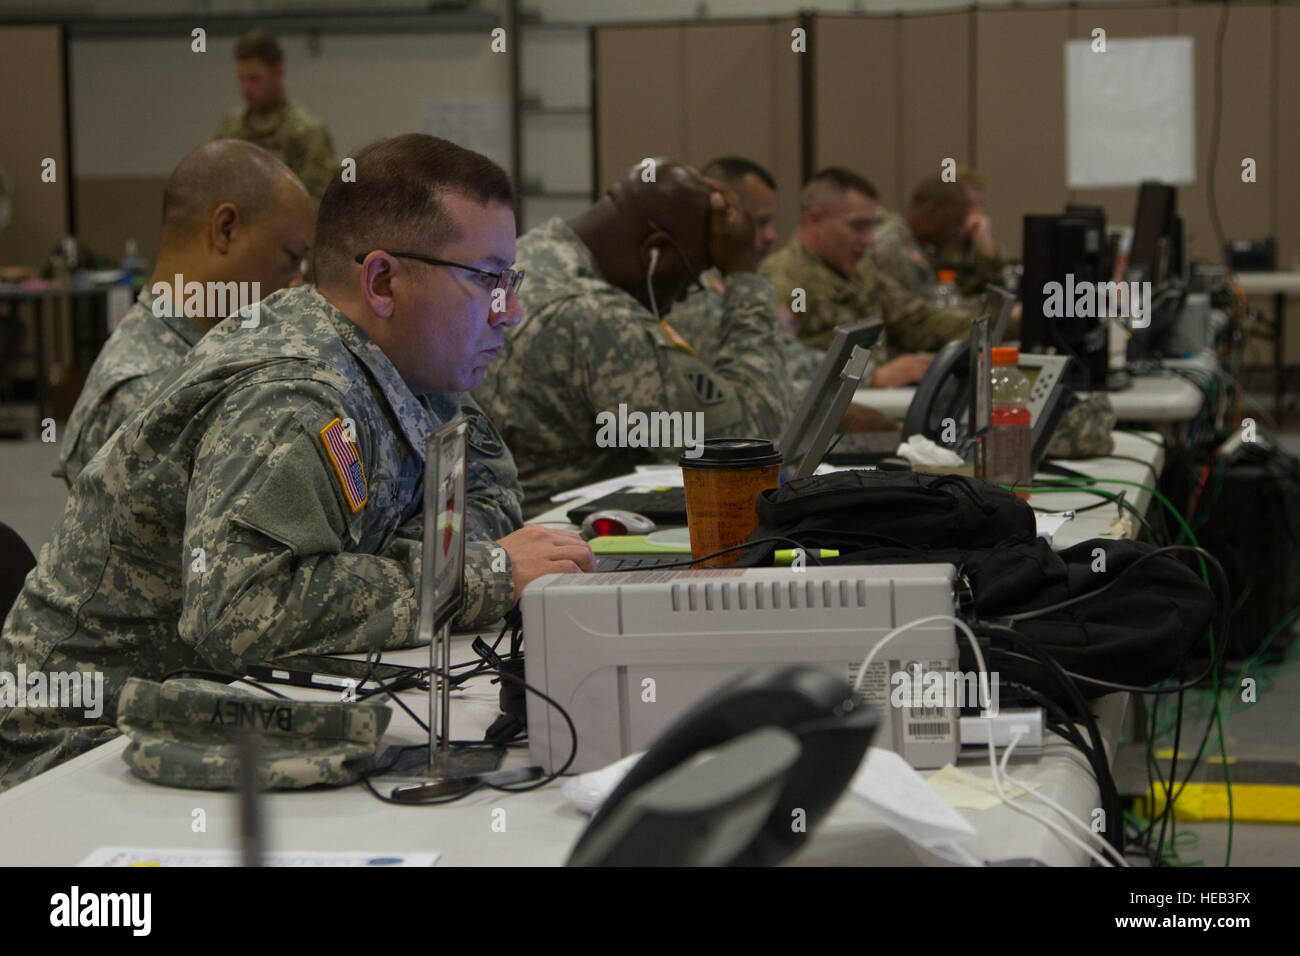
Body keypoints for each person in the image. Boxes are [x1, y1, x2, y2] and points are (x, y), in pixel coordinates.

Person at [0, 134, 591, 788]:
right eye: (486, 280)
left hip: (227, 708)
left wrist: (406, 568)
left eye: (512, 281)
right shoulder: (291, 394)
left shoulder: (419, 369)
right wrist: (479, 576)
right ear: (384, 281)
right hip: (85, 746)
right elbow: (241, 613)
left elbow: (489, 491)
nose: (508, 313)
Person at [474, 159, 795, 513]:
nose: (690, 293)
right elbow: (755, 444)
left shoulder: (529, 255)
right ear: (653, 252)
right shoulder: (594, 315)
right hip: (563, 539)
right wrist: (742, 273)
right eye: (694, 273)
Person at [59, 140, 315, 484]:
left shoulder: (200, 354)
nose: (297, 283)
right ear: (226, 230)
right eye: (290, 257)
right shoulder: (151, 393)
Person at [669, 157, 894, 432]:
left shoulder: (731, 284)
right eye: (759, 223)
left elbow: (790, 355)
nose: (772, 235)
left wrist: (870, 373)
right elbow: (759, 389)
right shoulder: (693, 296)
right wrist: (866, 384)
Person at [760, 167, 972, 385]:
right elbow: (779, 361)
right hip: (833, 412)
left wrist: (986, 328)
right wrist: (872, 376)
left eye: (871, 226)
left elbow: (915, 318)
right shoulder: (786, 281)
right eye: (859, 226)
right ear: (815, 219)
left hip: (876, 402)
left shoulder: (860, 273)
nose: (870, 240)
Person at [214, 30, 336, 201]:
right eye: (241, 79)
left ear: (278, 71)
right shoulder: (230, 129)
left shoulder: (306, 132)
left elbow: (318, 201)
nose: (246, 89)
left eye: (254, 79)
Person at [867, 174, 969, 297]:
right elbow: (898, 311)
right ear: (931, 212)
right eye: (954, 222)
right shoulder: (889, 247)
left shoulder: (920, 244)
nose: (959, 231)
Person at [933, 165, 1007, 297]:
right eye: (969, 204)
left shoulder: (979, 244)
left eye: (980, 204)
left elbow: (999, 291)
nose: (976, 212)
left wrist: (987, 248)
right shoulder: (933, 240)